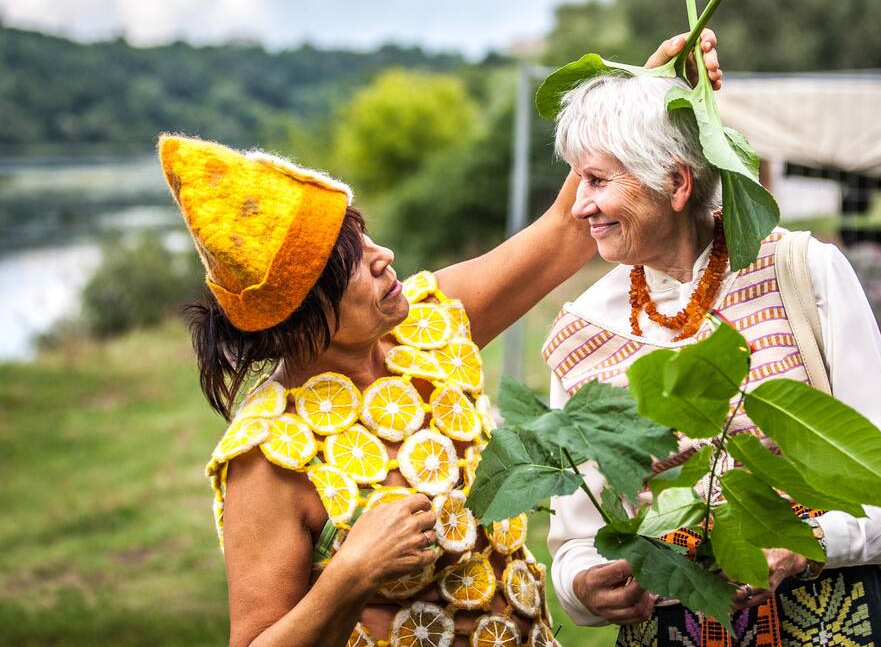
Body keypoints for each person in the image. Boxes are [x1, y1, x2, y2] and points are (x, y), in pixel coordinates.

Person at [164, 33, 724, 647]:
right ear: (298, 314)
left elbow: (569, 228)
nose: (385, 258)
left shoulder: (429, 324)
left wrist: (644, 99)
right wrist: (349, 576)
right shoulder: (269, 455)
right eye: (352, 260)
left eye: (366, 235)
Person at [542, 73, 881, 647]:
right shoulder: (583, 331)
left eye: (597, 180)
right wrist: (582, 585)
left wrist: (799, 545)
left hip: (835, 623)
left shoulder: (801, 273)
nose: (579, 206)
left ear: (676, 183)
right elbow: (577, 539)